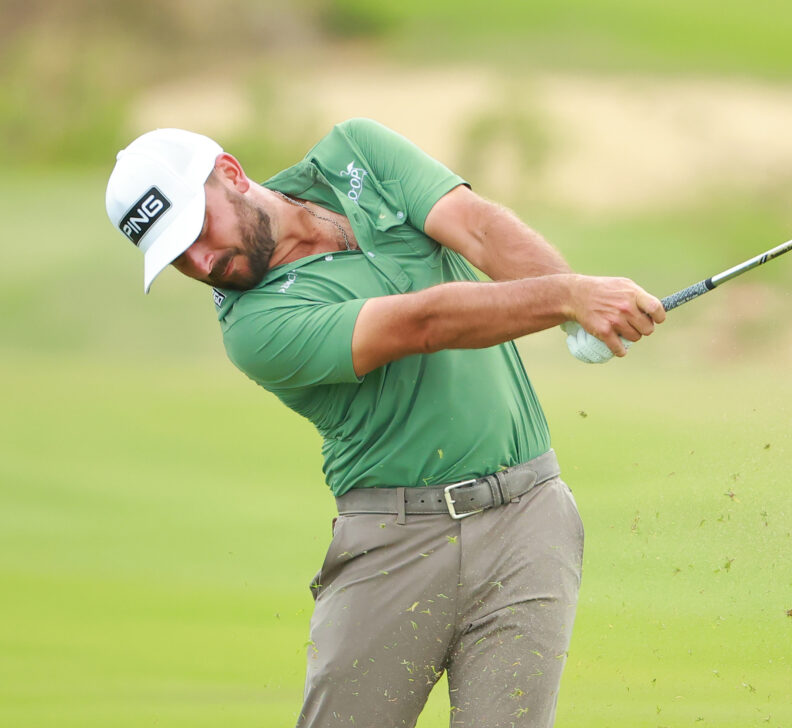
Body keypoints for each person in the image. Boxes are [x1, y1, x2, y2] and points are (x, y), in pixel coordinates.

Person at [105, 119, 665, 727]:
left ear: (232, 175)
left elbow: (476, 228)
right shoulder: (253, 329)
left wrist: (572, 304)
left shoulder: (356, 156)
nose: (202, 260)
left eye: (195, 231)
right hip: (395, 546)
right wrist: (566, 297)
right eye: (176, 258)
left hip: (529, 522)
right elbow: (422, 325)